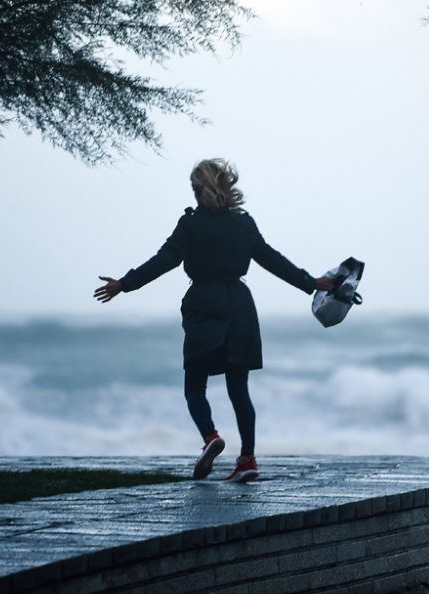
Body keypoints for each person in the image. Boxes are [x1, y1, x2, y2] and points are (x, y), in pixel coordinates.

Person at [94, 159, 334, 482]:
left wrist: (125, 284)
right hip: (240, 308)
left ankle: (211, 438)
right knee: (239, 390)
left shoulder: (191, 225)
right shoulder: (244, 223)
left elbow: (164, 260)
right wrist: (311, 283)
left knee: (195, 387)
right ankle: (247, 459)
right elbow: (271, 260)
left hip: (205, 307)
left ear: (199, 189)